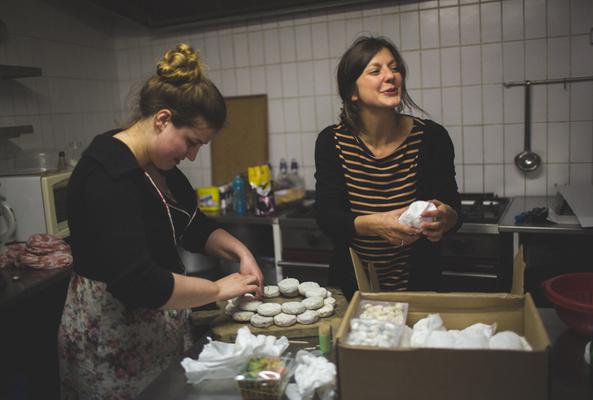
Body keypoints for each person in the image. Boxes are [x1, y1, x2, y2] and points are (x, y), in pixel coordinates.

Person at [58, 43, 264, 399]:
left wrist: (240, 251)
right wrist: (218, 289)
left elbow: (192, 226)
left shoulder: (157, 168)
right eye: (190, 142)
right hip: (111, 345)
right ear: (163, 119)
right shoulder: (108, 174)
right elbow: (138, 282)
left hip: (155, 335)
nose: (192, 154)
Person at [315, 36, 462, 300]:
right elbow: (327, 218)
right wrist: (375, 224)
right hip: (353, 286)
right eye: (375, 70)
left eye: (395, 68)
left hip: (418, 285)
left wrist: (444, 217)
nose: (391, 76)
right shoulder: (332, 141)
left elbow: (453, 210)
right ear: (352, 92)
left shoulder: (431, 137)